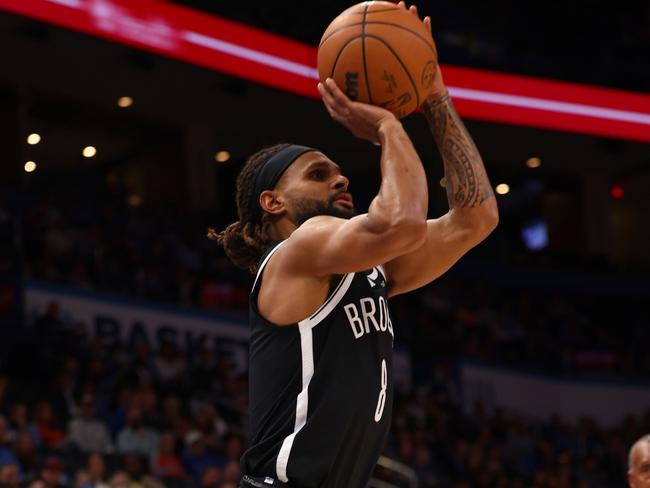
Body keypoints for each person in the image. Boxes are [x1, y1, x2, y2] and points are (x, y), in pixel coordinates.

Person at [208, 4, 498, 487]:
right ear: (273, 201)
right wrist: (388, 128)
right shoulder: (296, 253)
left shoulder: (371, 272)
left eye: (338, 171)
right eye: (318, 174)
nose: (340, 179)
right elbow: (400, 225)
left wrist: (434, 94)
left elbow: (477, 217)